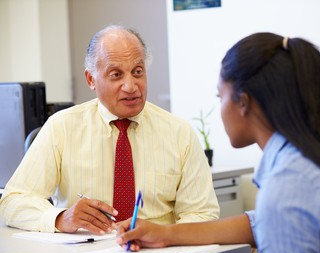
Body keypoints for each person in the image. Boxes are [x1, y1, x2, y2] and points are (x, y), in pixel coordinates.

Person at [116, 32, 320, 253]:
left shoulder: (288, 184)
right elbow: (257, 224)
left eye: (219, 96)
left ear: (243, 102)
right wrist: (164, 234)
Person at [0, 25, 219, 234]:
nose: (131, 86)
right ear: (91, 79)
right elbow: (13, 201)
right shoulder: (62, 127)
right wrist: (60, 218)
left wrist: (164, 235)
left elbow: (203, 214)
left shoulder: (179, 133)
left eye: (137, 71)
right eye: (116, 75)